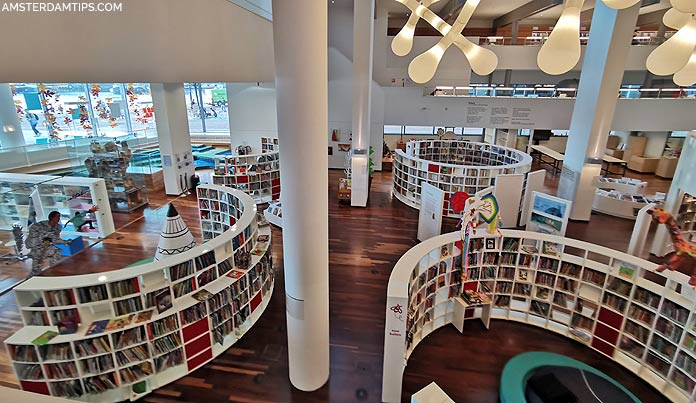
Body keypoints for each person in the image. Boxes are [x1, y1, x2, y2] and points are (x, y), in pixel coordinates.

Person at [25, 211, 71, 277]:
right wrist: (45, 236)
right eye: (57, 217)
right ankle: (30, 280)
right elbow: (32, 240)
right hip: (36, 247)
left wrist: (65, 242)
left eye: (59, 217)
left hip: (47, 246)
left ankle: (54, 268)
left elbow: (55, 239)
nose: (59, 219)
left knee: (57, 251)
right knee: (36, 269)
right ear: (51, 217)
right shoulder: (38, 226)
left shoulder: (57, 227)